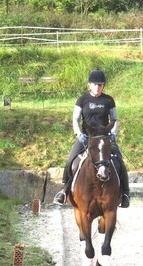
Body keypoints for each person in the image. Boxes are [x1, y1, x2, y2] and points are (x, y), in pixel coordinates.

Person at [53, 69, 130, 208]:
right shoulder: (82, 100)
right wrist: (78, 134)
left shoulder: (108, 100)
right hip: (86, 137)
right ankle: (63, 190)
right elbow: (75, 119)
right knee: (71, 160)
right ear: (89, 85)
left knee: (119, 160)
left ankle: (125, 193)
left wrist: (113, 134)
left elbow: (114, 119)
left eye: (100, 85)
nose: (98, 87)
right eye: (95, 84)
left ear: (103, 86)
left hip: (104, 139)